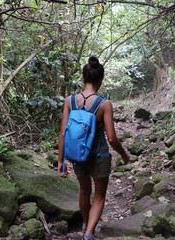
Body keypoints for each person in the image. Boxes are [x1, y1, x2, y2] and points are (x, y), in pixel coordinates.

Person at [58, 56, 130, 240]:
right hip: (99, 156)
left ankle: (85, 222)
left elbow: (63, 133)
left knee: (83, 191)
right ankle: (89, 234)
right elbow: (112, 138)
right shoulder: (104, 104)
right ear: (101, 80)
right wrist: (124, 155)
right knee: (99, 196)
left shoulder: (70, 101)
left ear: (83, 77)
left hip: (77, 155)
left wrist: (60, 160)